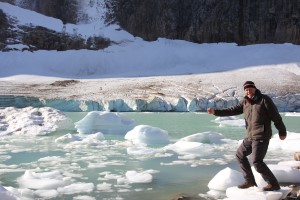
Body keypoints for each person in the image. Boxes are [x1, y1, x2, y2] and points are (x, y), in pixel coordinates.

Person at [207, 81, 287, 191]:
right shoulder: (245, 102)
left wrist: (282, 131)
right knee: (240, 155)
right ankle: (250, 181)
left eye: (250, 88)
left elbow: (276, 117)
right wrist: (216, 112)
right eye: (246, 89)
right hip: (250, 136)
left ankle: (273, 184)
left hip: (261, 136)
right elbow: (232, 110)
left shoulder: (264, 99)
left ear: (255, 89)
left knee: (257, 162)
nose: (248, 91)